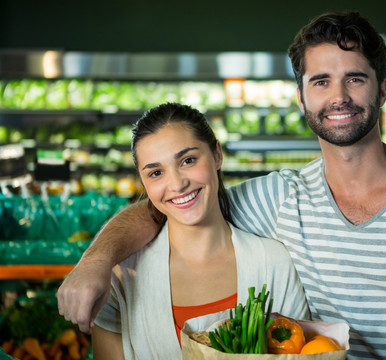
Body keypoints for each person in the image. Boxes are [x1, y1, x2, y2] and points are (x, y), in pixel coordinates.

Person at [58, 11, 386, 359]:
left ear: (382, 90)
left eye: (355, 79)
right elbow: (176, 200)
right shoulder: (279, 197)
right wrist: (96, 261)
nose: (338, 96)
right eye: (320, 81)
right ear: (301, 96)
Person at [89, 103, 309, 359]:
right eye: (156, 172)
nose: (177, 184)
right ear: (143, 182)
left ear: (217, 154)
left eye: (188, 160)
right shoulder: (121, 281)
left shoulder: (276, 264)